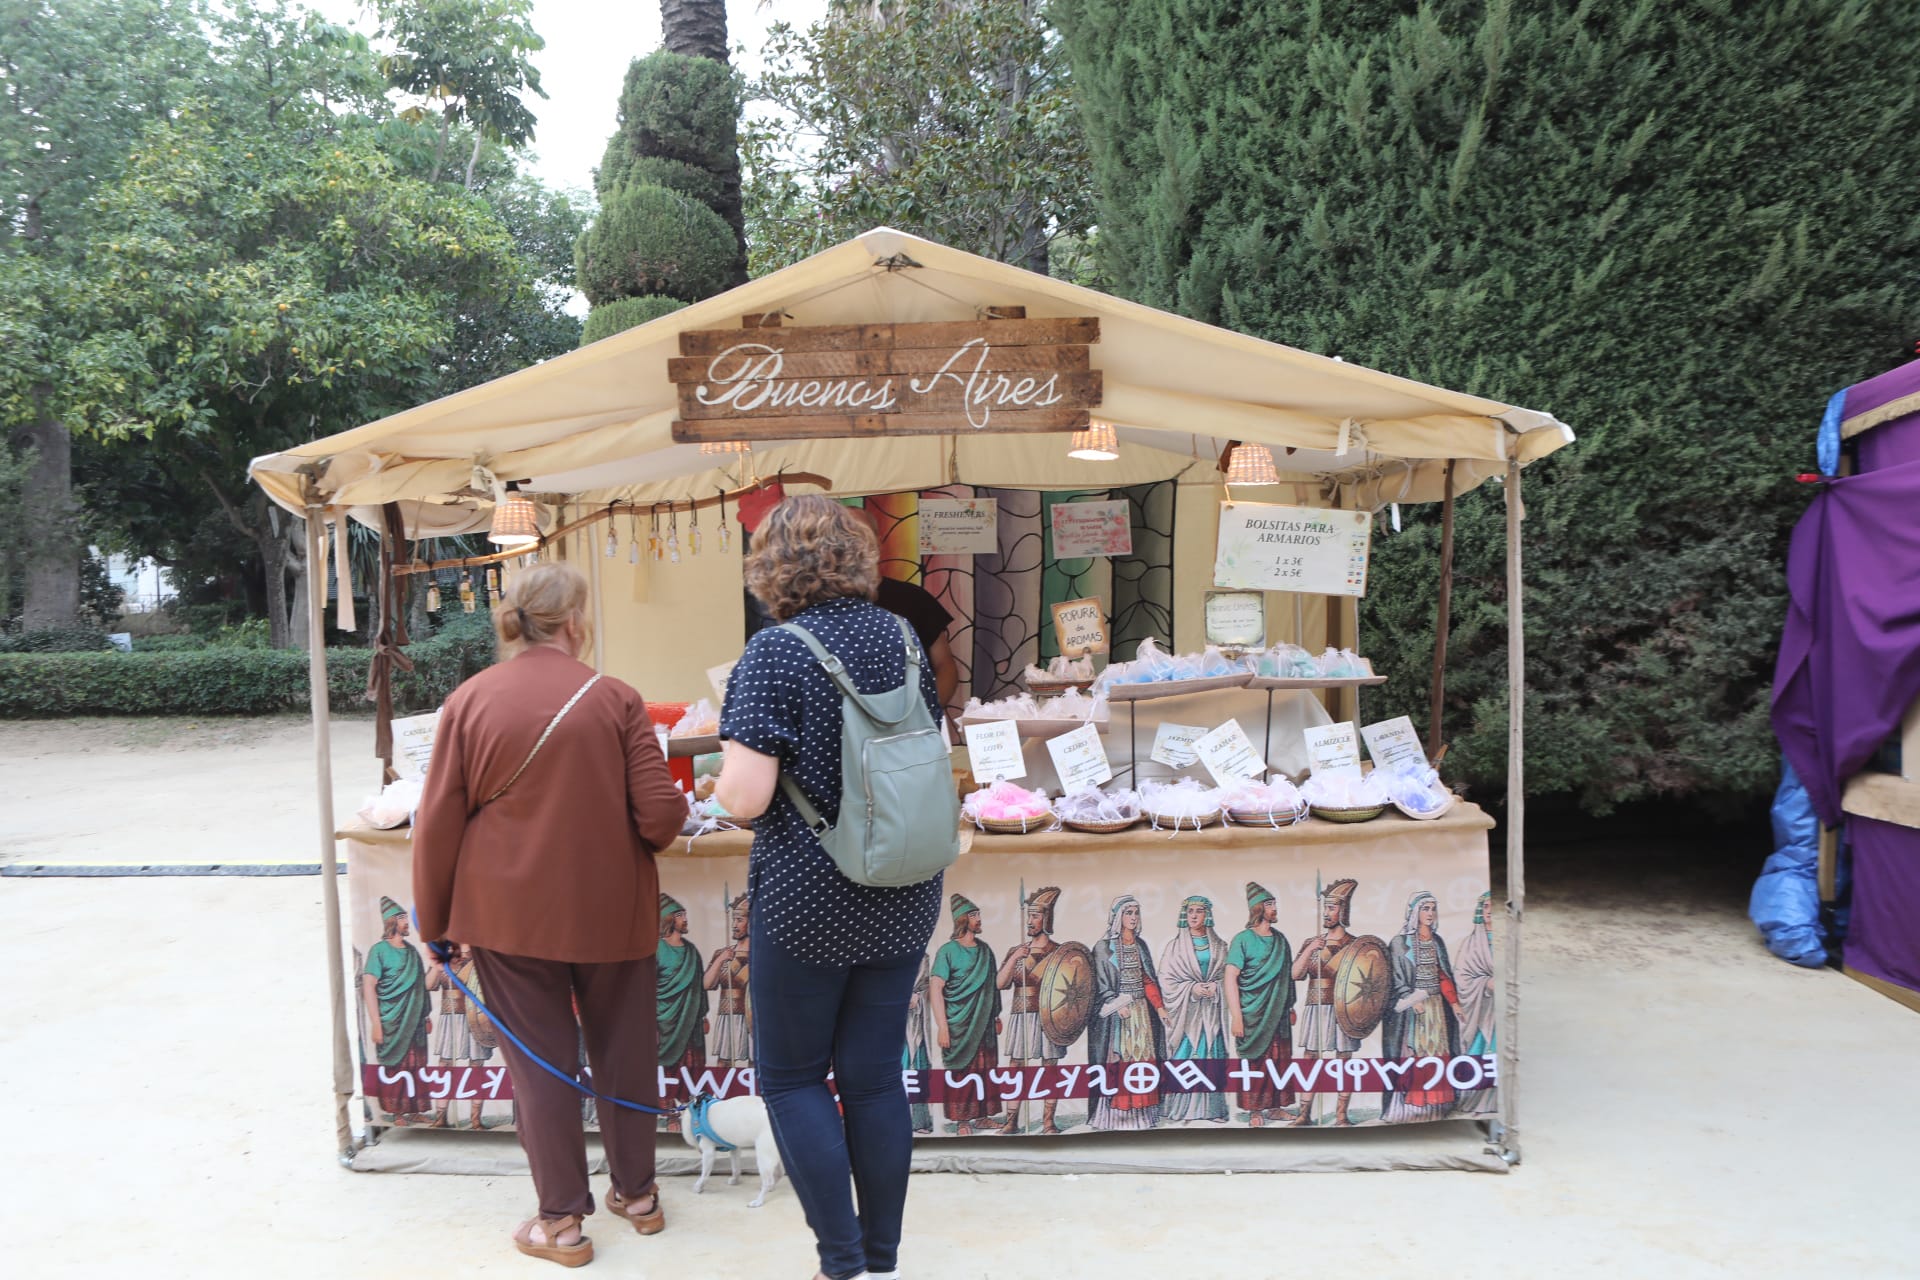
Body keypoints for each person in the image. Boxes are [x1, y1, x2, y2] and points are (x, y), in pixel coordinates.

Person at [414, 562, 686, 1267]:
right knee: (625, 1054)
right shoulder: (616, 698)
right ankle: (640, 1196)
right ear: (574, 622)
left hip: (507, 916)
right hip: (613, 912)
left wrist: (432, 920)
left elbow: (437, 822)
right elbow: (660, 819)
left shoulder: (470, 700)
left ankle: (562, 1223)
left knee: (541, 1066)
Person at [714, 494, 945, 1280]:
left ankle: (840, 1263)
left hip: (809, 896)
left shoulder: (776, 651)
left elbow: (744, 797)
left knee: (790, 1078)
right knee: (875, 1077)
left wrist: (721, 780)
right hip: (905, 887)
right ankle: (880, 1259)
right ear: (855, 557)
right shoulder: (904, 637)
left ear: (770, 569)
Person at [850, 506, 960, 709]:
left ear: (878, 540)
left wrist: (926, 714)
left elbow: (945, 666)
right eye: (844, 534)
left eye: (860, 532)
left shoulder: (913, 599)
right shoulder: (818, 607)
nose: (854, 541)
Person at [1381, 891, 1464, 1123]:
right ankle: (1411, 1107)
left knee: (1437, 1054)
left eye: (1433, 909)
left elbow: (1442, 975)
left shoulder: (1437, 941)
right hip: (1412, 1012)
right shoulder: (1399, 943)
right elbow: (1395, 979)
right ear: (1414, 912)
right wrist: (1410, 997)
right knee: (1415, 1053)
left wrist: (1455, 1003)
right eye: (1425, 908)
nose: (1430, 913)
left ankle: (1437, 1106)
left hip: (1436, 1008)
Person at [994, 885, 1070, 1134]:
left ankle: (1048, 1121)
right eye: (1029, 916)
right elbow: (1000, 983)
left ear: (1045, 918)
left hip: (1049, 1015)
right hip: (1020, 1014)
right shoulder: (1017, 951)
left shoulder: (1059, 953)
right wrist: (1016, 956)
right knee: (1016, 1065)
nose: (1030, 921)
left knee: (1050, 1065)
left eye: (1035, 916)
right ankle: (1012, 1120)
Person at [1087, 895, 1166, 1131]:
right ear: (1118, 916)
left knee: (1143, 1062)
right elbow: (1100, 986)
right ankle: (1115, 1118)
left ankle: (1141, 1115)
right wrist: (1115, 1003)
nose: (1132, 917)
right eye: (1128, 912)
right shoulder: (1102, 948)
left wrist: (1160, 1007)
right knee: (1120, 1063)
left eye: (1136, 913)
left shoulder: (1140, 946)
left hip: (1141, 1013)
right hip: (1117, 1018)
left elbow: (1147, 980)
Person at [1224, 882, 1298, 1127]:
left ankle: (1275, 1107)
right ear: (1258, 908)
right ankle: (1255, 1110)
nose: (1274, 908)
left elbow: (1287, 976)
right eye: (1269, 904)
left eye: (1274, 903)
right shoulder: (1242, 940)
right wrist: (1236, 1016)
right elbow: (1230, 977)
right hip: (1252, 1013)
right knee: (1256, 1062)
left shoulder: (1281, 940)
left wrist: (1290, 1006)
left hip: (1277, 1012)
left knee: (1279, 1059)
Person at [929, 893, 1001, 1136]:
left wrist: (996, 1015)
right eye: (974, 915)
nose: (979, 919)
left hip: (984, 1022)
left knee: (986, 1067)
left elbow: (992, 985)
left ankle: (982, 1117)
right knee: (963, 1070)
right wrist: (942, 1026)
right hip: (958, 1022)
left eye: (978, 914)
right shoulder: (948, 951)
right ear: (962, 920)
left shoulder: (985, 950)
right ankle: (962, 1120)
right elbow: (936, 988)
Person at [1291, 877, 1360, 1126]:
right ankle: (1304, 1113)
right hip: (1315, 1007)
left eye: (1332, 908)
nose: (1326, 913)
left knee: (1343, 1058)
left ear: (1343, 910)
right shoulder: (1312, 943)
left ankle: (1341, 1114)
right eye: (1325, 908)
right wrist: (1311, 949)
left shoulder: (1355, 945)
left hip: (1344, 1008)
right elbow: (1295, 974)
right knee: (1310, 1058)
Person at [1160, 894, 1230, 1124]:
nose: (1193, 915)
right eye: (1190, 911)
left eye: (1198, 911)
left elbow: (1227, 978)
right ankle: (1182, 1111)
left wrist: (1216, 988)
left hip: (1211, 1012)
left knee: (1212, 1055)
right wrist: (1191, 989)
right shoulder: (1174, 948)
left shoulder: (1220, 946)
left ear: (1207, 915)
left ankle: (1212, 1110)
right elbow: (1166, 981)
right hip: (1186, 1014)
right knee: (1185, 1057)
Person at [362, 895, 431, 1123]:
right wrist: (376, 1023)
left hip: (414, 1020)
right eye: (402, 918)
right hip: (391, 1020)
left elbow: (420, 985)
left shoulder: (412, 952)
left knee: (416, 1063)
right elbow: (369, 986)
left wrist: (426, 1015)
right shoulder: (379, 951)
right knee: (396, 1066)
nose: (406, 922)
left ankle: (416, 1110)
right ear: (391, 921)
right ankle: (398, 1112)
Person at [656, 894, 708, 1131]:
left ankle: (690, 1110)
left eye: (685, 915)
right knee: (666, 1067)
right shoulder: (656, 949)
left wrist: (703, 1015)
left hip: (690, 1019)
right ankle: (669, 1114)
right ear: (668, 919)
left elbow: (698, 985)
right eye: (680, 915)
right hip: (664, 1020)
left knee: (691, 1065)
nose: (685, 919)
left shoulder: (691, 950)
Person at [426, 941, 492, 1129]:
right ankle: (440, 1117)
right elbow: (429, 985)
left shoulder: (477, 956)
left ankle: (475, 1119)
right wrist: (436, 964)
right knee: (445, 1065)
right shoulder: (444, 956)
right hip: (450, 1018)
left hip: (475, 1016)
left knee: (476, 1066)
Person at [1453, 891, 1498, 1117]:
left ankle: (1493, 1104)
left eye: (1494, 906)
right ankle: (1473, 1101)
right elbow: (1461, 977)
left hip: (1500, 1011)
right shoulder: (1470, 943)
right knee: (1478, 1053)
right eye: (1486, 906)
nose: (1490, 911)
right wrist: (1485, 984)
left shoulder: (1505, 940)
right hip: (1480, 1010)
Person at [703, 892, 753, 1069]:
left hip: (752, 1016)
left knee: (755, 1064)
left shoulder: (761, 956)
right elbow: (707, 984)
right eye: (733, 920)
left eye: (739, 920)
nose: (734, 925)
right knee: (723, 1063)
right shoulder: (723, 953)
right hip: (728, 1016)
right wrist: (721, 959)